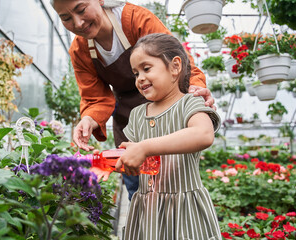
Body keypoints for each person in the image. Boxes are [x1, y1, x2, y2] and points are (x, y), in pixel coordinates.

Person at [50, 0, 215, 200]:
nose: (77, 23)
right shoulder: (80, 50)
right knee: (141, 195)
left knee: (174, 185)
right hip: (129, 123)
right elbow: (95, 98)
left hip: (168, 121)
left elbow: (177, 61)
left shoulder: (135, 19)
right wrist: (88, 119)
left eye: (81, 10)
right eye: (66, 18)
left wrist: (195, 91)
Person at [115, 33, 222, 239]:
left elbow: (203, 134)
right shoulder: (138, 114)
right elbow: (131, 155)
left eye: (146, 69)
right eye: (136, 73)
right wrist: (103, 160)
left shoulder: (190, 103)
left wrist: (146, 147)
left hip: (185, 210)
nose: (140, 78)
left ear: (175, 66)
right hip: (148, 210)